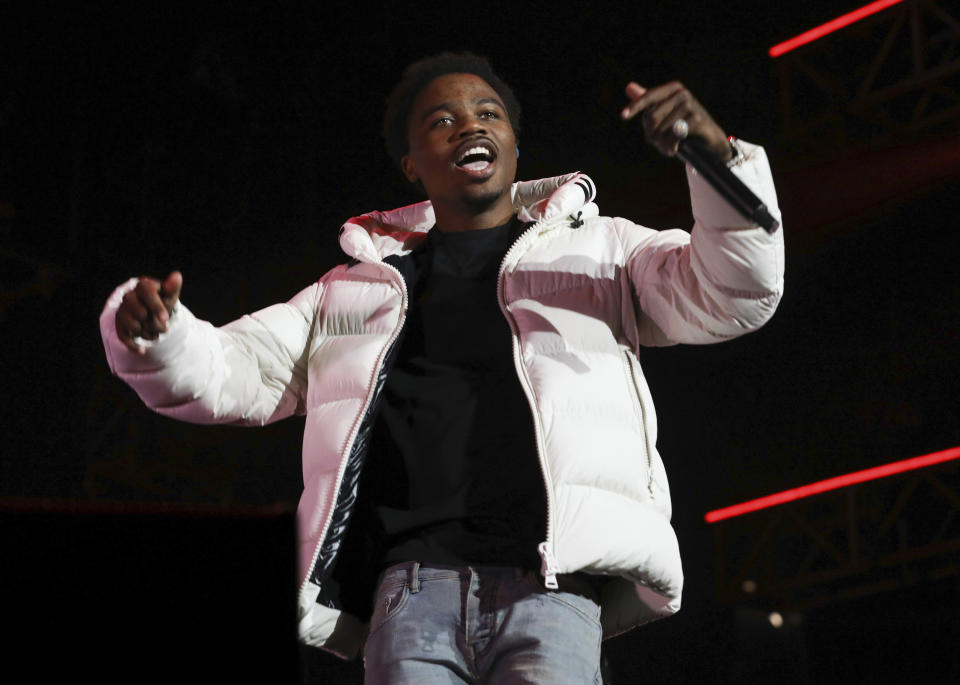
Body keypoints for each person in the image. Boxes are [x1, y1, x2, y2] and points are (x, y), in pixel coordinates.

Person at [100, 52, 783, 683]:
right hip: (409, 598)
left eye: (488, 114)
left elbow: (732, 292)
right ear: (410, 162)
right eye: (442, 121)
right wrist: (157, 338)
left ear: (515, 144)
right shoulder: (353, 289)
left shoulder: (601, 251)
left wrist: (715, 154)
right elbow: (231, 370)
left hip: (553, 591)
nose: (469, 127)